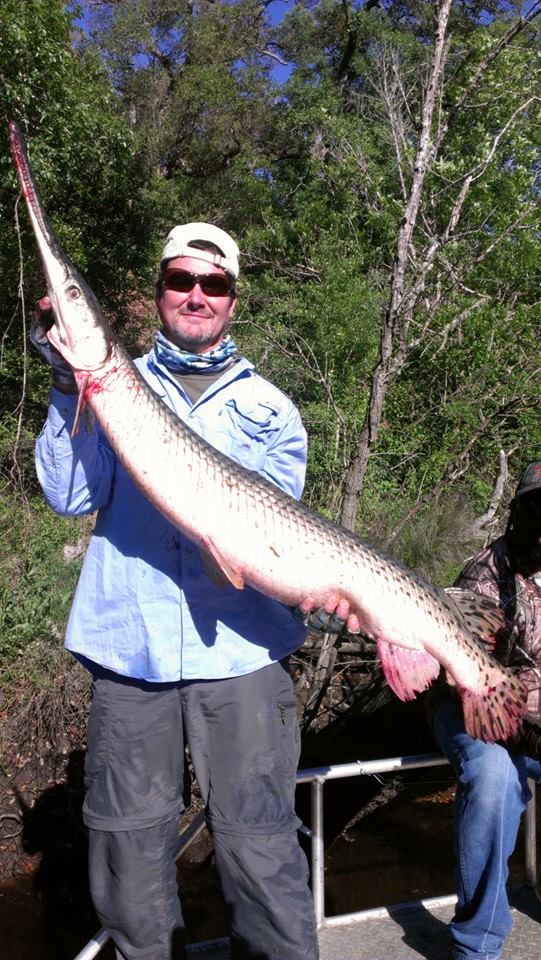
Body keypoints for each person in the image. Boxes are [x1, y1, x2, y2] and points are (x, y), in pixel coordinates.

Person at [31, 222, 357, 960]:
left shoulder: (272, 410)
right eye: (180, 280)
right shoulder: (112, 386)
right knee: (126, 855)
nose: (196, 295)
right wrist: (63, 381)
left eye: (213, 284)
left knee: (260, 849)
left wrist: (326, 588)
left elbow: (268, 540)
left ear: (232, 300)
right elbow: (71, 494)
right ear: (156, 296)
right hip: (129, 655)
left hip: (239, 656)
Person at [426, 461, 541, 960]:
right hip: (470, 700)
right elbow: (468, 676)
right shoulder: (485, 574)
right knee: (494, 778)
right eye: (535, 506)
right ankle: (478, 941)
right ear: (518, 512)